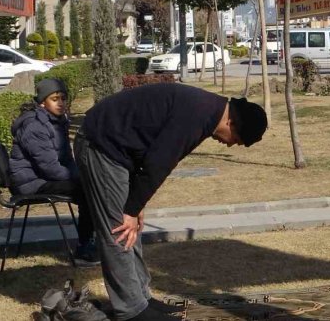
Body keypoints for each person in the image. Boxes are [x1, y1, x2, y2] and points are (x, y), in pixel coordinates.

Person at [74, 83, 268, 321]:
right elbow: (158, 164)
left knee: (131, 231)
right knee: (119, 230)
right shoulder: (197, 114)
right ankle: (131, 310)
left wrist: (136, 204)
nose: (229, 144)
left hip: (118, 151)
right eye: (235, 140)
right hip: (100, 145)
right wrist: (131, 209)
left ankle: (141, 299)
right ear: (231, 123)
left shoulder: (206, 112)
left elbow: (149, 152)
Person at [9, 78, 99, 267]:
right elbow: (50, 168)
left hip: (43, 178)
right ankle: (85, 248)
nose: (61, 103)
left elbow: (67, 160)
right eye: (55, 99)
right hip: (32, 183)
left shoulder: (57, 122)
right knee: (88, 190)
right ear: (43, 102)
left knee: (91, 184)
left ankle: (94, 240)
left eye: (63, 98)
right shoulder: (35, 126)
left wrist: (82, 175)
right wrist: (81, 179)